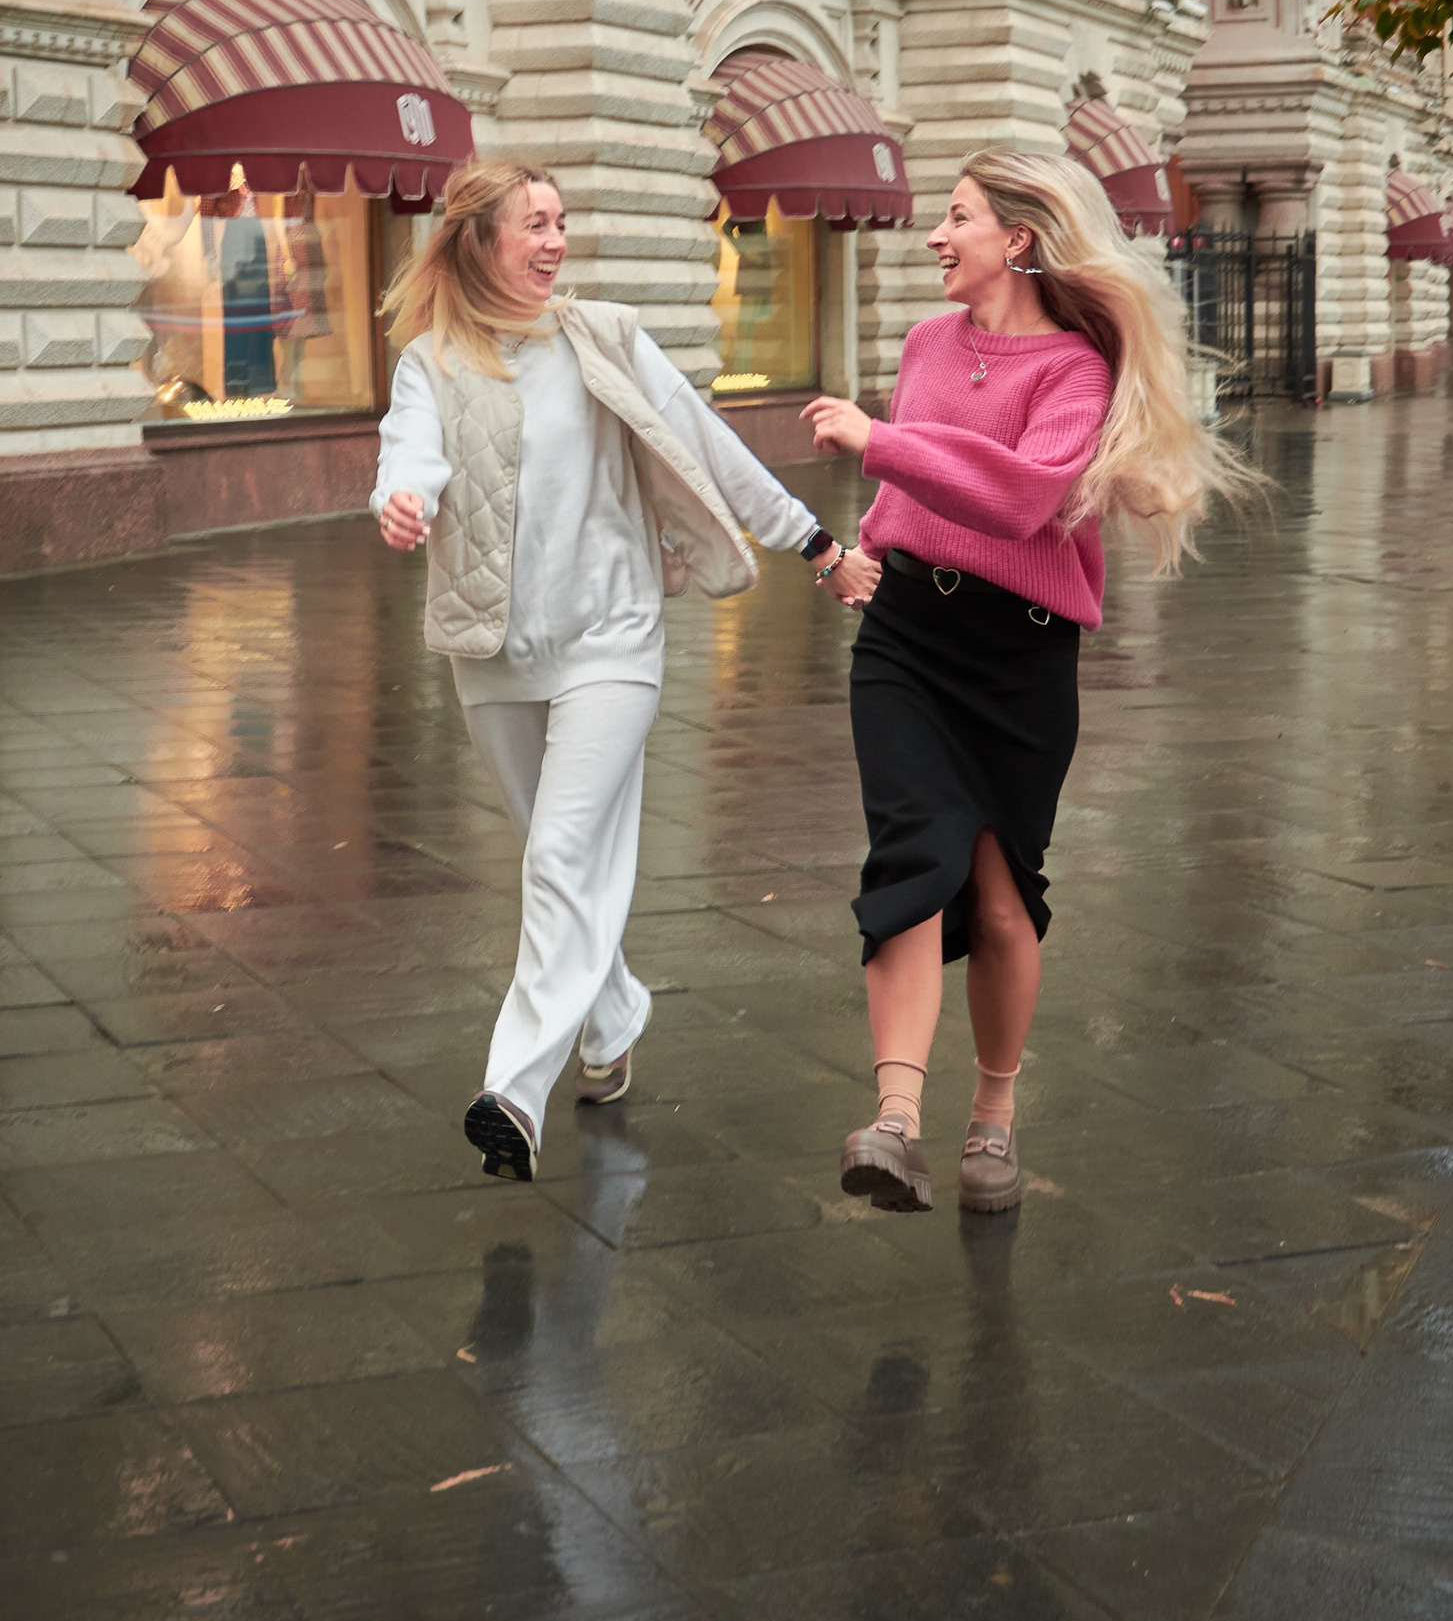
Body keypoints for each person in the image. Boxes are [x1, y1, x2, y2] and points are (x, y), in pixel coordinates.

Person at [373, 161, 867, 1182]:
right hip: (494, 648)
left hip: (613, 634)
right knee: (558, 854)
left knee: (561, 852)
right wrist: (403, 499)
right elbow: (410, 450)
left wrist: (813, 541)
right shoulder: (432, 361)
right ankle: (613, 1012)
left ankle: (513, 1090)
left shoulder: (602, 336)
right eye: (534, 225)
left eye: (561, 222)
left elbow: (706, 442)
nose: (556, 242)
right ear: (480, 241)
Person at [802, 149, 1253, 1219]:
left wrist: (880, 442)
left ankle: (993, 1118)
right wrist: (864, 549)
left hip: (1019, 654)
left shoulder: (1075, 373)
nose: (936, 234)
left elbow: (1019, 497)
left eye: (957, 216)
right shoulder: (926, 342)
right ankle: (895, 1123)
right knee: (914, 854)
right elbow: (921, 493)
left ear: (1017, 238)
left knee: (1002, 900)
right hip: (906, 637)